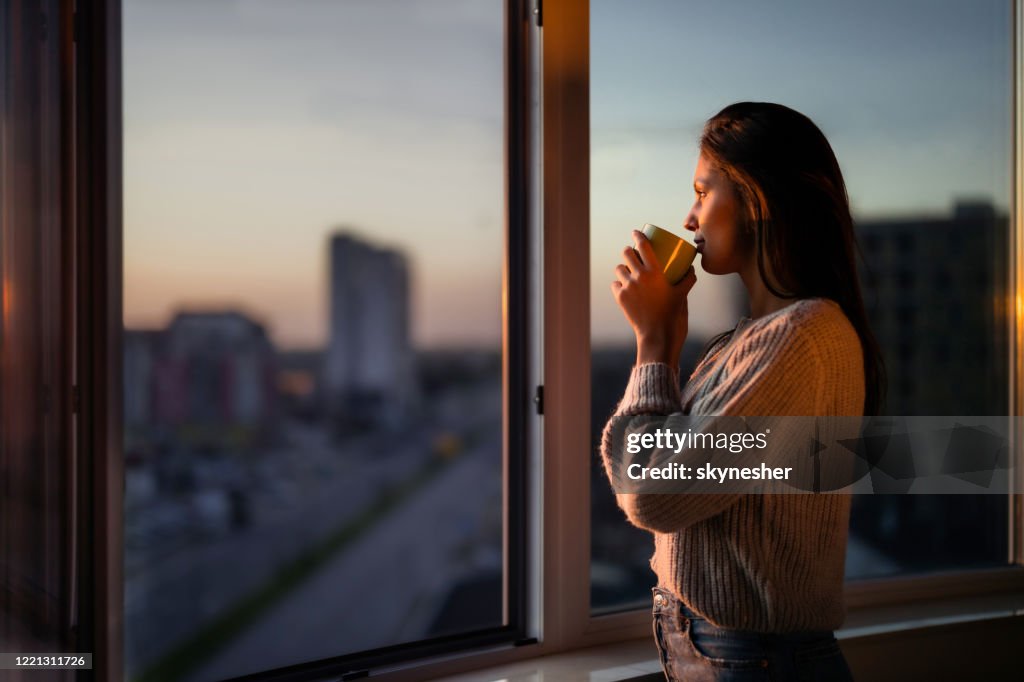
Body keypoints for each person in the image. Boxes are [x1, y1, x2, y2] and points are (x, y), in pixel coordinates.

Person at [600, 102, 885, 681]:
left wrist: (652, 346)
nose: (689, 218)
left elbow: (652, 494)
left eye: (702, 192)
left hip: (756, 660)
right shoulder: (751, 341)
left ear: (755, 200)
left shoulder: (800, 338)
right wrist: (665, 343)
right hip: (735, 653)